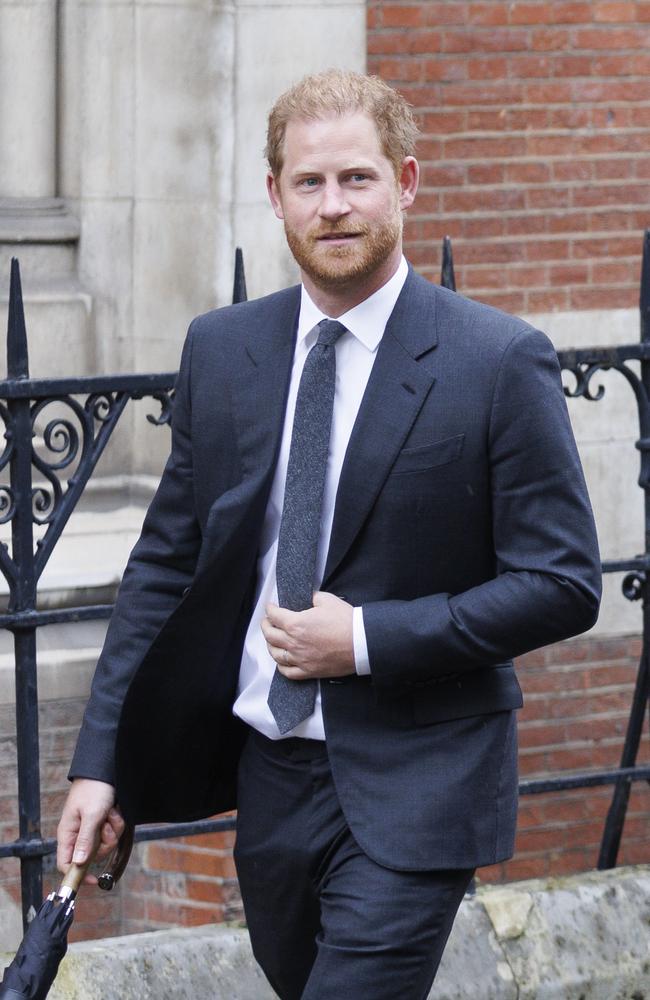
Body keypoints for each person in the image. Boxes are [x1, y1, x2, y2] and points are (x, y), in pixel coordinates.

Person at [56, 70, 601, 998]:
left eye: (358, 179)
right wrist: (102, 762)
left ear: (407, 183)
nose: (335, 206)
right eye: (310, 184)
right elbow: (163, 567)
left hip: (421, 779)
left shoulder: (496, 360)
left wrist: (363, 640)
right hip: (272, 779)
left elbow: (563, 581)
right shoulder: (224, 349)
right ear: (275, 197)